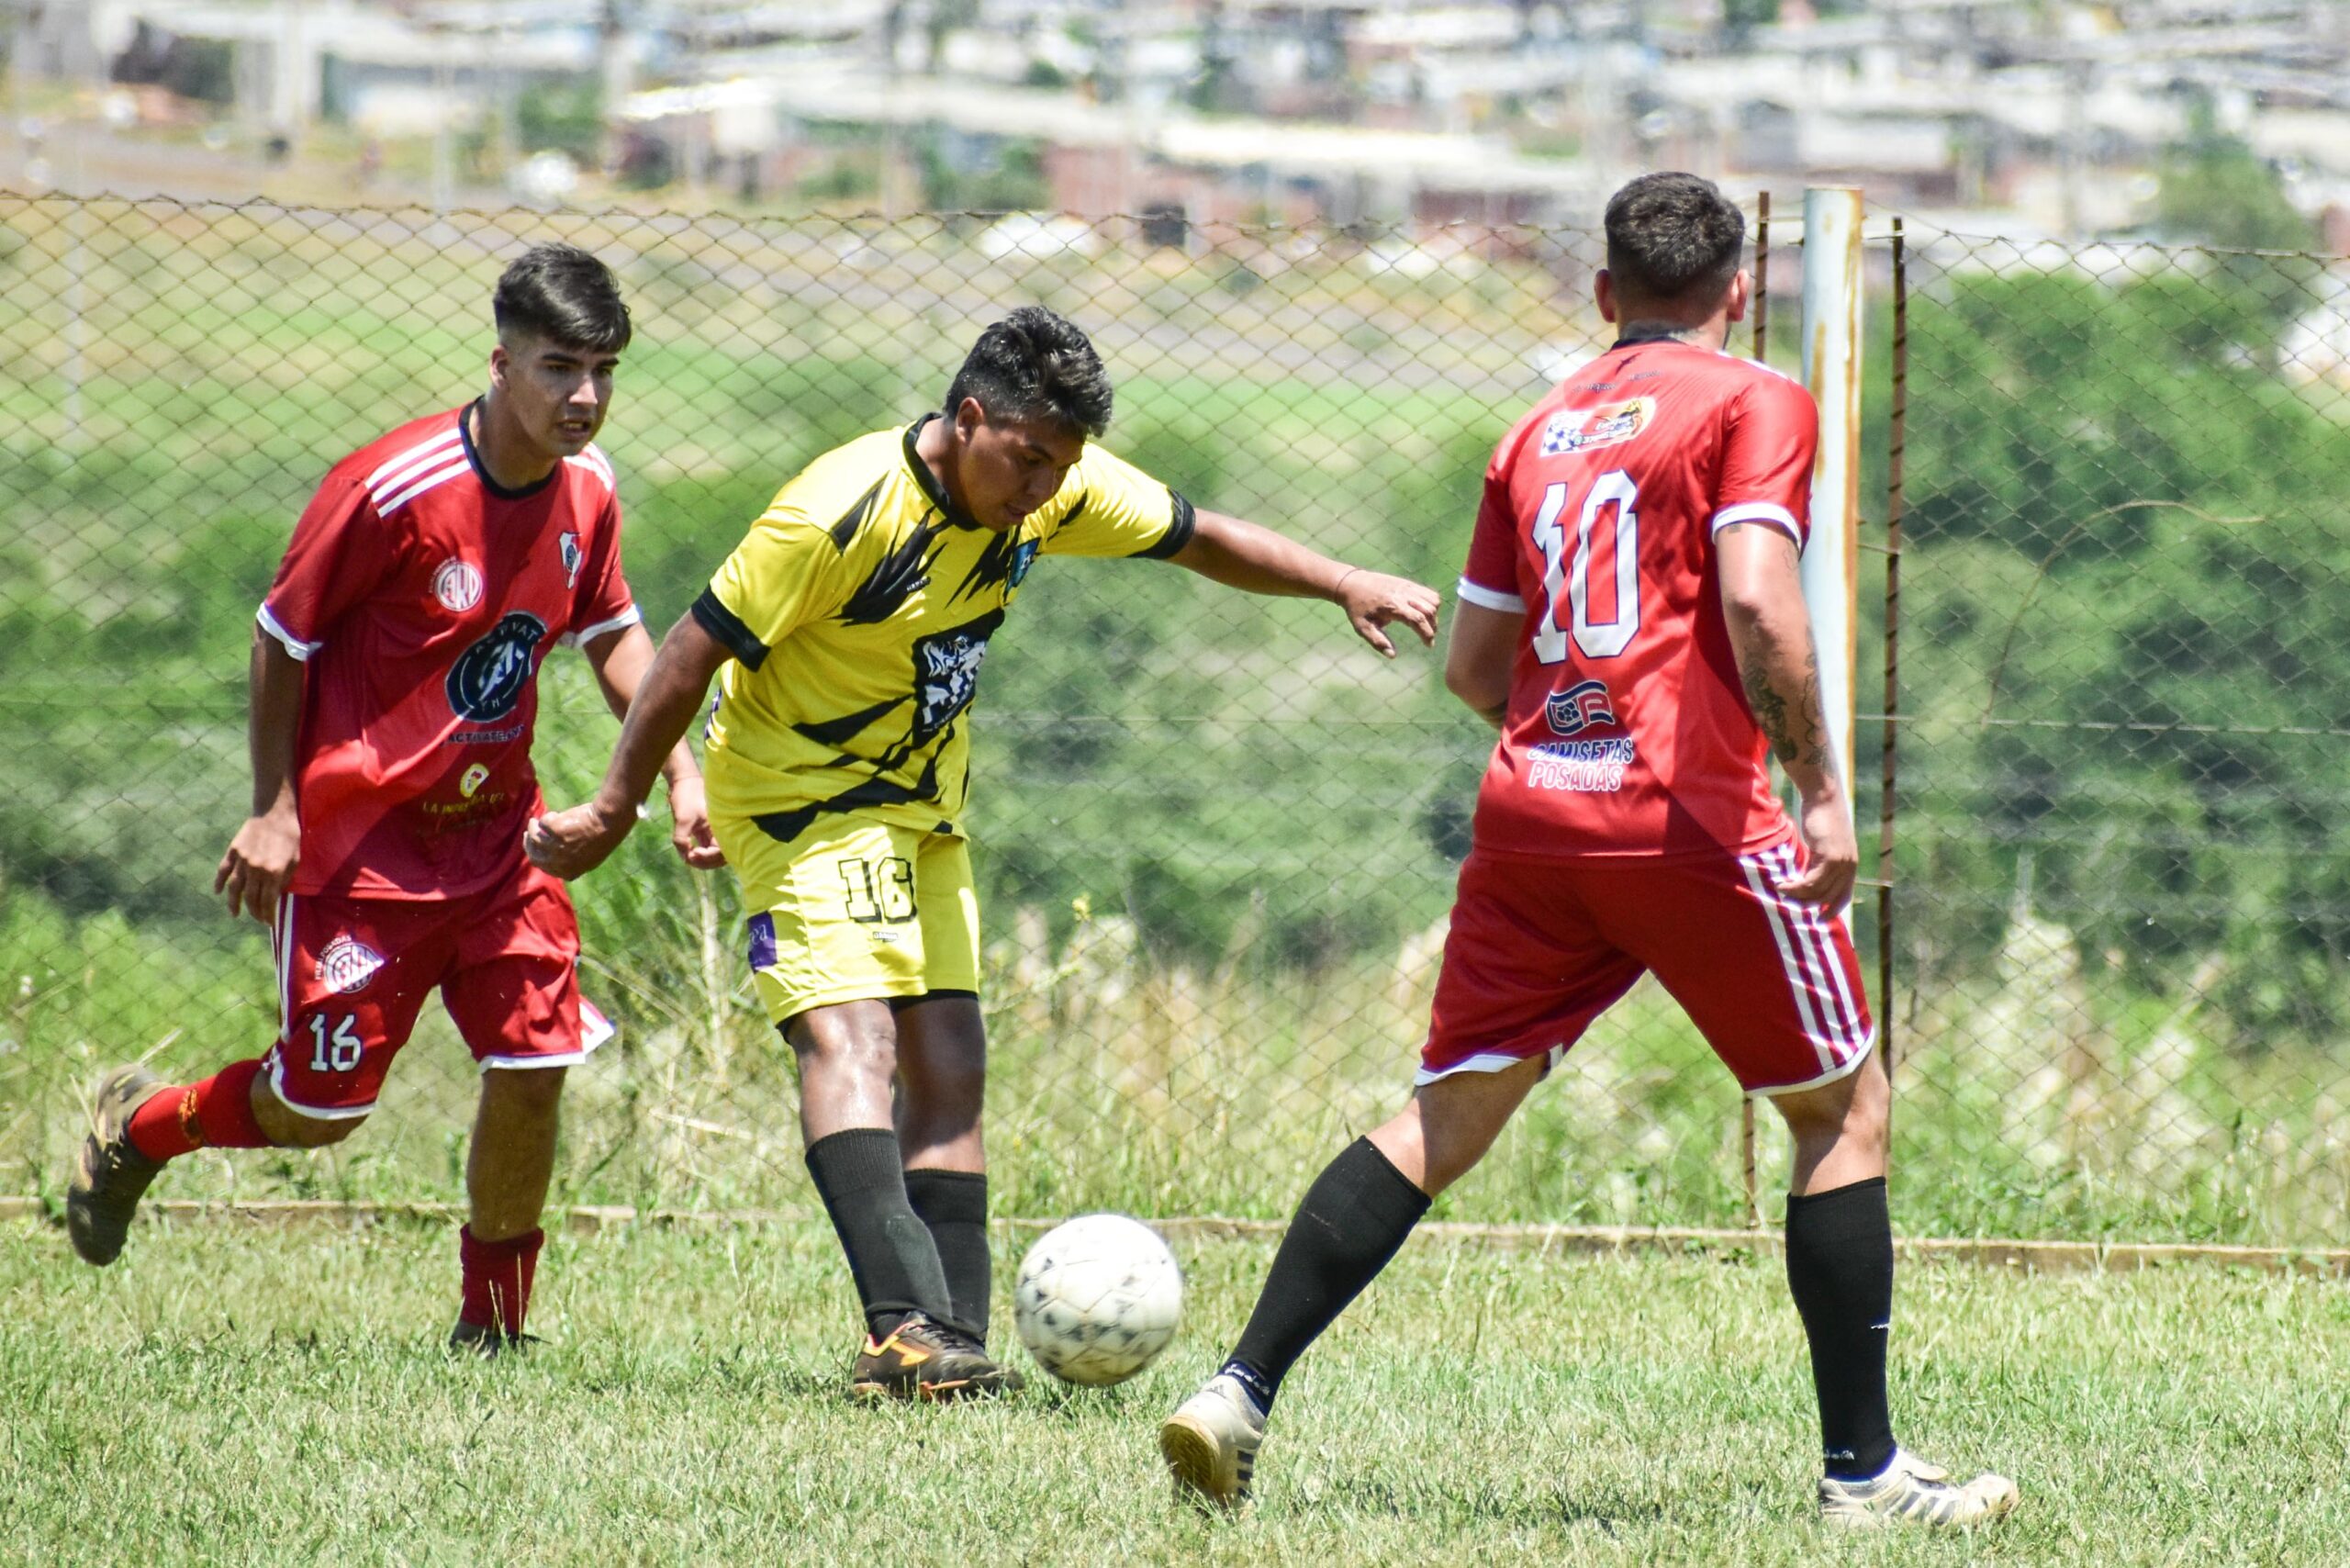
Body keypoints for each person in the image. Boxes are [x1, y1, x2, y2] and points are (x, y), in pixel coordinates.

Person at [1158, 174, 2020, 1529]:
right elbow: (1757, 596)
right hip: (1692, 819)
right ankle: (1864, 1478)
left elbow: (1475, 669)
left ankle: (1238, 1388)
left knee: (1443, 1116)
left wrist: (1577, 743)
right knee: (1842, 1112)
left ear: (1606, 293)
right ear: (1738, 290)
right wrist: (1822, 788)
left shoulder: (1538, 428)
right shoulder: (1753, 401)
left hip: (1532, 820)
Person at [525, 305, 1442, 1399]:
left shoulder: (1051, 484)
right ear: (969, 419)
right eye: (1029, 459)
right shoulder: (837, 512)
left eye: (1063, 465)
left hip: (921, 803)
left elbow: (1197, 535)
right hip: (795, 798)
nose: (1045, 488)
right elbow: (686, 652)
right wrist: (621, 800)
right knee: (853, 1038)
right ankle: (900, 1327)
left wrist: (1339, 579)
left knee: (951, 1058)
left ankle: (949, 1346)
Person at [64, 243, 714, 1356]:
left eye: (604, 370)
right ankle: (141, 1130)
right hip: (360, 852)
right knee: (318, 1112)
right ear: (500, 362)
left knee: (535, 1062)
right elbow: (281, 640)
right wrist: (274, 809)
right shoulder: (386, 488)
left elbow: (611, 629)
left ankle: (492, 1330)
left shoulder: (589, 488)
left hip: (502, 846)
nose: (586, 396)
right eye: (560, 368)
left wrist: (680, 770)